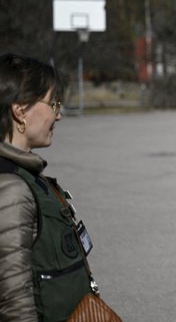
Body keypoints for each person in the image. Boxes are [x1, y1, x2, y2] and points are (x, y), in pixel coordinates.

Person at [0, 53, 96, 321]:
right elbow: (13, 299)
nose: (59, 114)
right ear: (20, 111)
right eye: (53, 103)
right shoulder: (10, 188)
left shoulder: (28, 177)